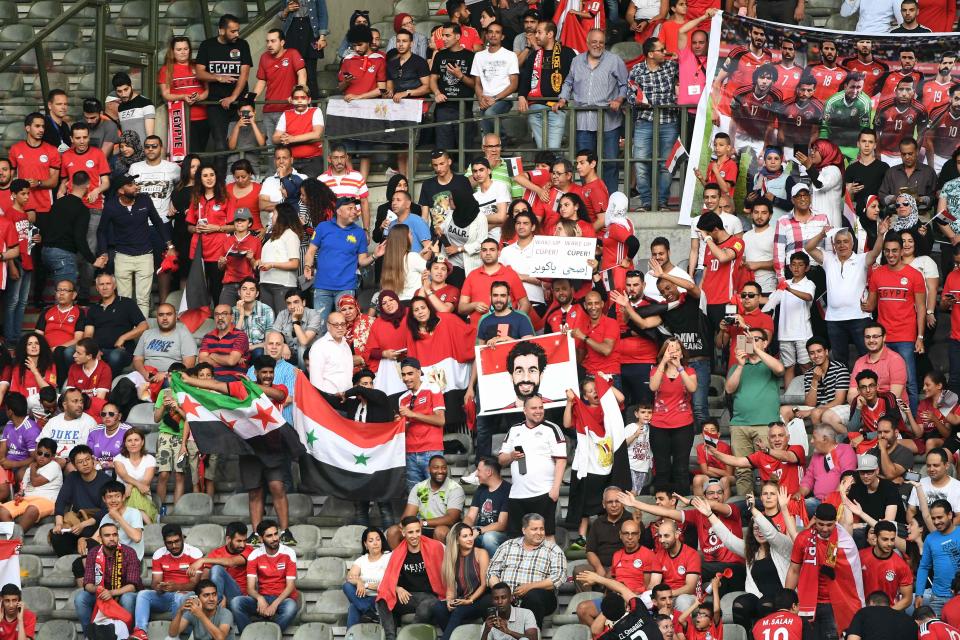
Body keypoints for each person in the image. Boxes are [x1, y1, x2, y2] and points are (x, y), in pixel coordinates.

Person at [864, 232, 926, 412]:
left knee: (910, 382)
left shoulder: (914, 275)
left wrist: (920, 337)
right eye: (887, 251)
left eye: (894, 251)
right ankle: (886, 420)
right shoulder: (877, 274)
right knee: (882, 383)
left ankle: (912, 424)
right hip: (882, 337)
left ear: (901, 252)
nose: (890, 255)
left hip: (906, 336)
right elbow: (871, 305)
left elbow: (921, 308)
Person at [805, 224, 884, 367]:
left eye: (845, 241)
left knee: (866, 356)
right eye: (838, 242)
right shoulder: (828, 259)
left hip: (859, 317)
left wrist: (880, 235)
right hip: (834, 319)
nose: (842, 245)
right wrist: (822, 234)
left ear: (852, 243)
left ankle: (867, 387)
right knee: (839, 361)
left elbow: (876, 251)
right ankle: (843, 389)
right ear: (834, 245)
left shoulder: (861, 259)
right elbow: (808, 247)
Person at [784, 502, 865, 638]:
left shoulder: (845, 541)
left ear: (835, 522)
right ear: (814, 519)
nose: (825, 529)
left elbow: (852, 577)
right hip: (806, 601)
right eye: (821, 524)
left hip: (833, 604)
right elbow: (794, 570)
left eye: (829, 525)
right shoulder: (803, 538)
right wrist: (787, 599)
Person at [302, 197, 377, 324]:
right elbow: (310, 251)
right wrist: (308, 266)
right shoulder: (323, 227)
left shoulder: (359, 233)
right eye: (350, 208)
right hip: (322, 286)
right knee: (320, 326)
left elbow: (362, 261)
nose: (355, 211)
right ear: (339, 211)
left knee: (345, 325)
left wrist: (375, 255)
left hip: (346, 287)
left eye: (355, 208)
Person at [499, 396, 566, 538]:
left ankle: (550, 561)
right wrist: (511, 455)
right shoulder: (514, 429)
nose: (539, 411)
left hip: (543, 492)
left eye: (541, 407)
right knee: (517, 537)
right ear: (524, 410)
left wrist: (555, 489)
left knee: (546, 535)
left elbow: (561, 461)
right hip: (517, 493)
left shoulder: (552, 428)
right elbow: (501, 459)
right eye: (534, 408)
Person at [195, 15, 253, 175]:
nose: (237, 34)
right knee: (221, 146)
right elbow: (199, 72)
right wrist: (217, 77)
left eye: (238, 31)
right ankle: (219, 186)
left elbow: (244, 74)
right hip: (215, 104)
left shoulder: (243, 44)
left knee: (241, 145)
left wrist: (233, 97)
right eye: (233, 31)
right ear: (221, 30)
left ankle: (242, 182)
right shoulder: (207, 46)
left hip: (238, 103)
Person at [486, 513, 566, 628]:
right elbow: (491, 572)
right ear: (524, 530)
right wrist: (503, 593)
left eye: (542, 529)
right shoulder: (507, 545)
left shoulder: (553, 549)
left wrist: (529, 587)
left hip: (539, 596)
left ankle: (531, 634)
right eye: (534, 529)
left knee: (533, 597)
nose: (539, 532)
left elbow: (559, 578)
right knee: (486, 601)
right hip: (508, 596)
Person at [628, 38, 678, 211]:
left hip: (668, 121)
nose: (665, 52)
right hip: (644, 120)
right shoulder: (637, 69)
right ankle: (647, 202)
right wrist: (637, 101)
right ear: (650, 54)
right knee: (640, 163)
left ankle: (662, 202)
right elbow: (630, 94)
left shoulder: (672, 66)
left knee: (666, 164)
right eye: (661, 50)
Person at [376, 517, 445, 640]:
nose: (415, 536)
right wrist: (397, 588)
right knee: (383, 599)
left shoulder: (435, 547)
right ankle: (390, 637)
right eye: (410, 532)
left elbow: (446, 574)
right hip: (409, 596)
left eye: (417, 531)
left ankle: (408, 636)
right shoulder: (397, 553)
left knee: (426, 606)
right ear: (403, 533)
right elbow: (388, 581)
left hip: (430, 596)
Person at [131, 524, 203, 640]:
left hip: (187, 593)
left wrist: (177, 587)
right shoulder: (159, 554)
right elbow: (155, 583)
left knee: (179, 596)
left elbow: (194, 584)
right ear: (164, 542)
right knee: (143, 594)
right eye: (169, 543)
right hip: (166, 594)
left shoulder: (194, 553)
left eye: (177, 541)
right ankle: (140, 631)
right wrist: (160, 587)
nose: (174, 546)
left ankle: (176, 635)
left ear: (182, 538)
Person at [229, 520, 299, 632]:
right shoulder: (254, 555)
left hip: (283, 599)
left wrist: (274, 605)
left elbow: (290, 586)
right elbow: (250, 588)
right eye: (269, 536)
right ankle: (249, 634)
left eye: (276, 534)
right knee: (236, 603)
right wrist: (260, 598)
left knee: (291, 607)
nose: (275, 538)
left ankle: (269, 634)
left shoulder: (289, 553)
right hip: (263, 597)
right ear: (261, 539)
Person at [75, 522, 141, 638]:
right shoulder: (93, 553)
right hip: (101, 593)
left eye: (115, 534)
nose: (112, 538)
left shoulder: (129, 552)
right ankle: (90, 635)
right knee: (81, 598)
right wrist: (99, 590)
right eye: (107, 535)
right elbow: (88, 584)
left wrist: (111, 593)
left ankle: (127, 636)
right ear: (100, 539)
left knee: (128, 598)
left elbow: (132, 585)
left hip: (123, 593)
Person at [648, 339, 696, 495]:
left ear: (682, 353)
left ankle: (681, 504)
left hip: (683, 424)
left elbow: (692, 388)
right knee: (662, 467)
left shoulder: (689, 371)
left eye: (676, 349)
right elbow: (653, 387)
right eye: (670, 349)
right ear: (664, 352)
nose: (673, 352)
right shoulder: (656, 370)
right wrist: (663, 363)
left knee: (681, 467)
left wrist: (679, 367)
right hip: (659, 425)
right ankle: (661, 501)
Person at [428, 523, 491, 640]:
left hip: (482, 598)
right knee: (438, 607)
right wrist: (449, 601)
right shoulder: (452, 557)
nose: (470, 539)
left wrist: (470, 600)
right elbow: (451, 589)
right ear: (457, 540)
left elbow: (484, 584)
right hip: (464, 598)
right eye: (465, 536)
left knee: (459, 610)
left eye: (471, 535)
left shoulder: (481, 553)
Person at [387, 455, 464, 549]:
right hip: (422, 528)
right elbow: (408, 515)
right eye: (436, 468)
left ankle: (439, 563)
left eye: (444, 468)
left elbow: (451, 518)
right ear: (428, 469)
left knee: (440, 531)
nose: (440, 471)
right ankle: (401, 562)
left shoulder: (455, 488)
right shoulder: (419, 488)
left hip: (447, 529)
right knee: (393, 531)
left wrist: (423, 522)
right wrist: (404, 524)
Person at [430, 23, 477, 150]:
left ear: (457, 36)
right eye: (443, 36)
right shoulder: (440, 55)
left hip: (464, 108)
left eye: (447, 35)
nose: (444, 39)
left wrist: (460, 75)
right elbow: (433, 79)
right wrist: (437, 93)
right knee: (443, 149)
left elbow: (475, 84)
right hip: (443, 108)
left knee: (464, 147)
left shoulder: (470, 56)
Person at [0, 437, 60, 534]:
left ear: (52, 456)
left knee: (32, 509)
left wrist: (32, 467)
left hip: (48, 500)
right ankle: (12, 537)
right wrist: (19, 494)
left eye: (46, 455)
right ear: (36, 452)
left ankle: (16, 539)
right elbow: (23, 489)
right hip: (27, 500)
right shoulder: (30, 469)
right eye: (40, 453)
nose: (42, 457)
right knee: (2, 510)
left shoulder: (54, 466)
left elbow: (35, 482)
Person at [187, 522, 252, 606]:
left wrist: (202, 560)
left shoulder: (249, 550)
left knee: (217, 568)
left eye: (245, 540)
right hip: (219, 594)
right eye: (239, 541)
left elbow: (231, 562)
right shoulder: (215, 553)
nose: (243, 545)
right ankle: (217, 599)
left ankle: (216, 600)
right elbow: (204, 580)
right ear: (228, 539)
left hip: (238, 596)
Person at [471, 22, 518, 135]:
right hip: (485, 100)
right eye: (490, 32)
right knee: (487, 134)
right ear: (486, 35)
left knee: (490, 114)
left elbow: (513, 85)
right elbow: (477, 83)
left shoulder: (510, 55)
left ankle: (505, 139)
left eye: (497, 32)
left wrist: (495, 99)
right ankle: (500, 147)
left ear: (502, 36)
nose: (493, 35)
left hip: (504, 99)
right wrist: (480, 98)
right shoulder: (478, 56)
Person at [859, 520, 913, 610]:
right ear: (875, 538)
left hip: (889, 611)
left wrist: (888, 613)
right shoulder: (860, 556)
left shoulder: (901, 565)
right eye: (885, 539)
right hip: (863, 611)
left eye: (892, 539)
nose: (889, 544)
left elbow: (907, 599)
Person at [463, 456, 511, 557]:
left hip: (499, 534)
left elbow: (501, 524)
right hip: (480, 531)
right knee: (458, 535)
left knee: (489, 538)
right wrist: (464, 530)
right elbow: (470, 517)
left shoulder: (507, 490)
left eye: (479, 470)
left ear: (489, 472)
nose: (476, 474)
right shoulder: (481, 489)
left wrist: (479, 531)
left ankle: (496, 569)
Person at [343, 527, 390, 627]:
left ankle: (351, 635)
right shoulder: (361, 560)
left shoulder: (388, 557)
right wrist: (359, 582)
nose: (375, 543)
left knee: (353, 607)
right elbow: (350, 578)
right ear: (365, 544)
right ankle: (369, 612)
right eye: (371, 541)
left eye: (378, 539)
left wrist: (365, 584)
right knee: (347, 586)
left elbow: (387, 584)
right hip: (364, 598)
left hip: (381, 598)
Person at [39, 388, 97, 461]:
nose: (80, 405)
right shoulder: (53, 421)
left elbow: (84, 451)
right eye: (75, 401)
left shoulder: (89, 422)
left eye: (81, 401)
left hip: (73, 462)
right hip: (49, 460)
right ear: (65, 405)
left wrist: (65, 460)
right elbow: (40, 444)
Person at [168, 579, 235, 640]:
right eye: (206, 595)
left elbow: (220, 638)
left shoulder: (225, 613)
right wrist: (180, 612)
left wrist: (200, 615)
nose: (211, 599)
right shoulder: (193, 612)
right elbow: (172, 634)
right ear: (198, 598)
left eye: (214, 594)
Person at [272, 288, 321, 368]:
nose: (292, 306)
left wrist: (295, 320)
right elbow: (273, 335)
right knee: (273, 346)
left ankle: (302, 377)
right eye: (289, 303)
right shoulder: (283, 314)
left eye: (296, 302)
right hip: (289, 352)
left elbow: (304, 341)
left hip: (310, 354)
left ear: (303, 302)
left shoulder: (314, 315)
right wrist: (283, 344)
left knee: (302, 348)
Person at [199, 304, 250, 381]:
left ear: (232, 318)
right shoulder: (208, 337)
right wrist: (225, 359)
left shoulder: (240, 336)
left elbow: (231, 361)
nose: (220, 317)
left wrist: (213, 355)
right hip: (212, 379)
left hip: (234, 379)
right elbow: (202, 360)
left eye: (224, 314)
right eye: (217, 314)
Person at [308, 311, 353, 394]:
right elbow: (315, 381)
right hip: (329, 399)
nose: (340, 328)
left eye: (343, 324)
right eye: (336, 325)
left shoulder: (345, 344)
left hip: (347, 398)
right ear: (328, 326)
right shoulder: (319, 347)